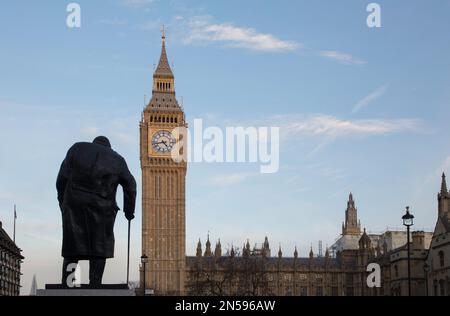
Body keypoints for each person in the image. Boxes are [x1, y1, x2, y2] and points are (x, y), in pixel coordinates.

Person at [56, 136, 137, 287]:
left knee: (72, 247)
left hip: (74, 204)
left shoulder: (76, 148)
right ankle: (95, 284)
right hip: (102, 207)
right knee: (100, 247)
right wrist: (129, 211)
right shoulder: (117, 159)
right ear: (109, 146)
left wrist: (62, 201)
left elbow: (61, 178)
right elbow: (131, 186)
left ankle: (68, 284)